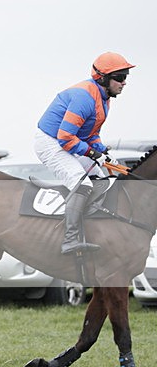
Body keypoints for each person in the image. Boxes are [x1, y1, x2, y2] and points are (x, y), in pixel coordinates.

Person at [34, 52, 134, 254]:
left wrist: (103, 152)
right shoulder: (85, 97)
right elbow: (65, 137)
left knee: (102, 175)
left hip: (65, 140)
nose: (124, 83)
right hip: (50, 142)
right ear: (103, 78)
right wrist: (93, 154)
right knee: (83, 183)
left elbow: (91, 135)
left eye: (126, 77)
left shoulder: (105, 98)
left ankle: (91, 227)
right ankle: (69, 239)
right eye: (120, 77)